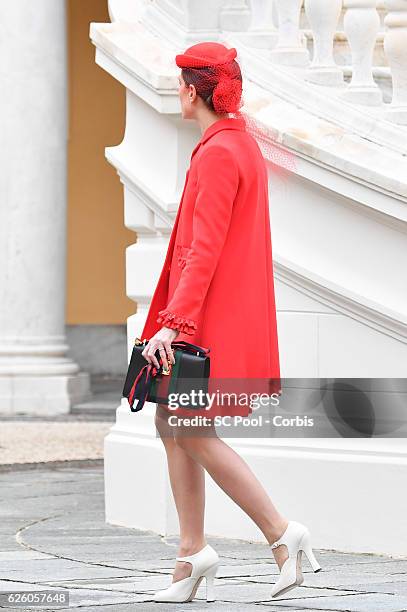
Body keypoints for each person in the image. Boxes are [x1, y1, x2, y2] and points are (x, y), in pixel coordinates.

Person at [138, 42, 321, 603]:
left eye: (180, 84)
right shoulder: (238, 143)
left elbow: (204, 250)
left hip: (201, 321)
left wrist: (174, 324)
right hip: (211, 316)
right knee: (171, 424)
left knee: (189, 428)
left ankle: (280, 532)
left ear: (193, 90)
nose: (177, 92)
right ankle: (192, 553)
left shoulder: (219, 154)